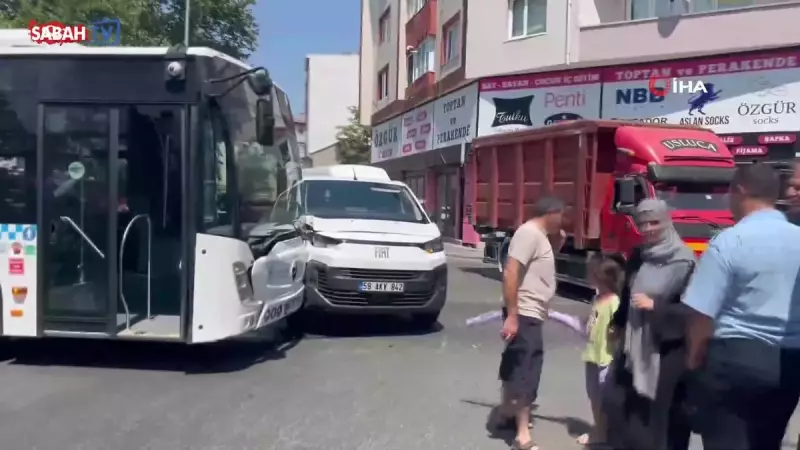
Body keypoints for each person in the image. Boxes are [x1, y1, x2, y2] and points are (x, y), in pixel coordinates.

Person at [682, 163, 800, 450]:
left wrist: (694, 359)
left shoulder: (729, 241)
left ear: (740, 191)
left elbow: (702, 315)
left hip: (735, 359)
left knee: (726, 440)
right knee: (767, 441)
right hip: (789, 363)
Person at [603, 199, 695, 450]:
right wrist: (618, 323)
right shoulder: (638, 255)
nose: (648, 229)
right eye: (643, 224)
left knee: (656, 416)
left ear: (666, 222)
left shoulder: (684, 261)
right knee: (619, 404)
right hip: (633, 345)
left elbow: (694, 310)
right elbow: (626, 293)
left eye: (654, 222)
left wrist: (656, 307)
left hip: (665, 350)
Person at [494, 196, 565, 450]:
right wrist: (513, 315)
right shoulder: (529, 234)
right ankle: (522, 436)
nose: (563, 221)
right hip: (525, 313)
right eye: (562, 216)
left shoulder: (539, 236)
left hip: (529, 313)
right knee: (527, 370)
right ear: (553, 212)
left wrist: (556, 242)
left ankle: (505, 413)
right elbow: (511, 271)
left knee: (515, 361)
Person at [547, 254, 623, 446]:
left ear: (600, 276)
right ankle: (600, 431)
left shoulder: (615, 303)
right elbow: (587, 330)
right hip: (593, 356)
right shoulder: (597, 299)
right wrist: (555, 315)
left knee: (605, 399)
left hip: (607, 360)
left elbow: (618, 333)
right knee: (594, 397)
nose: (587, 275)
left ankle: (605, 434)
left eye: (590, 272)